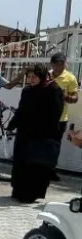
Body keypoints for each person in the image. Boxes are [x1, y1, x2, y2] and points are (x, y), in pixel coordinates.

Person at [6, 64, 65, 203]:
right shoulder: (27, 91)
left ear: (42, 76)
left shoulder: (53, 90)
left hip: (43, 134)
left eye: (34, 77)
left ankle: (31, 194)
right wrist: (12, 124)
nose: (31, 79)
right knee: (21, 162)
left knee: (36, 165)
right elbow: (21, 110)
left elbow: (56, 113)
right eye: (29, 76)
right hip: (25, 133)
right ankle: (18, 190)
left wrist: (40, 125)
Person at [49, 52, 79, 180]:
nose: (60, 67)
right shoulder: (46, 75)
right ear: (52, 64)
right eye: (57, 64)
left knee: (54, 144)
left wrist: (66, 97)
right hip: (41, 117)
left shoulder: (70, 78)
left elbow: (75, 97)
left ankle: (51, 170)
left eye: (62, 64)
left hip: (60, 118)